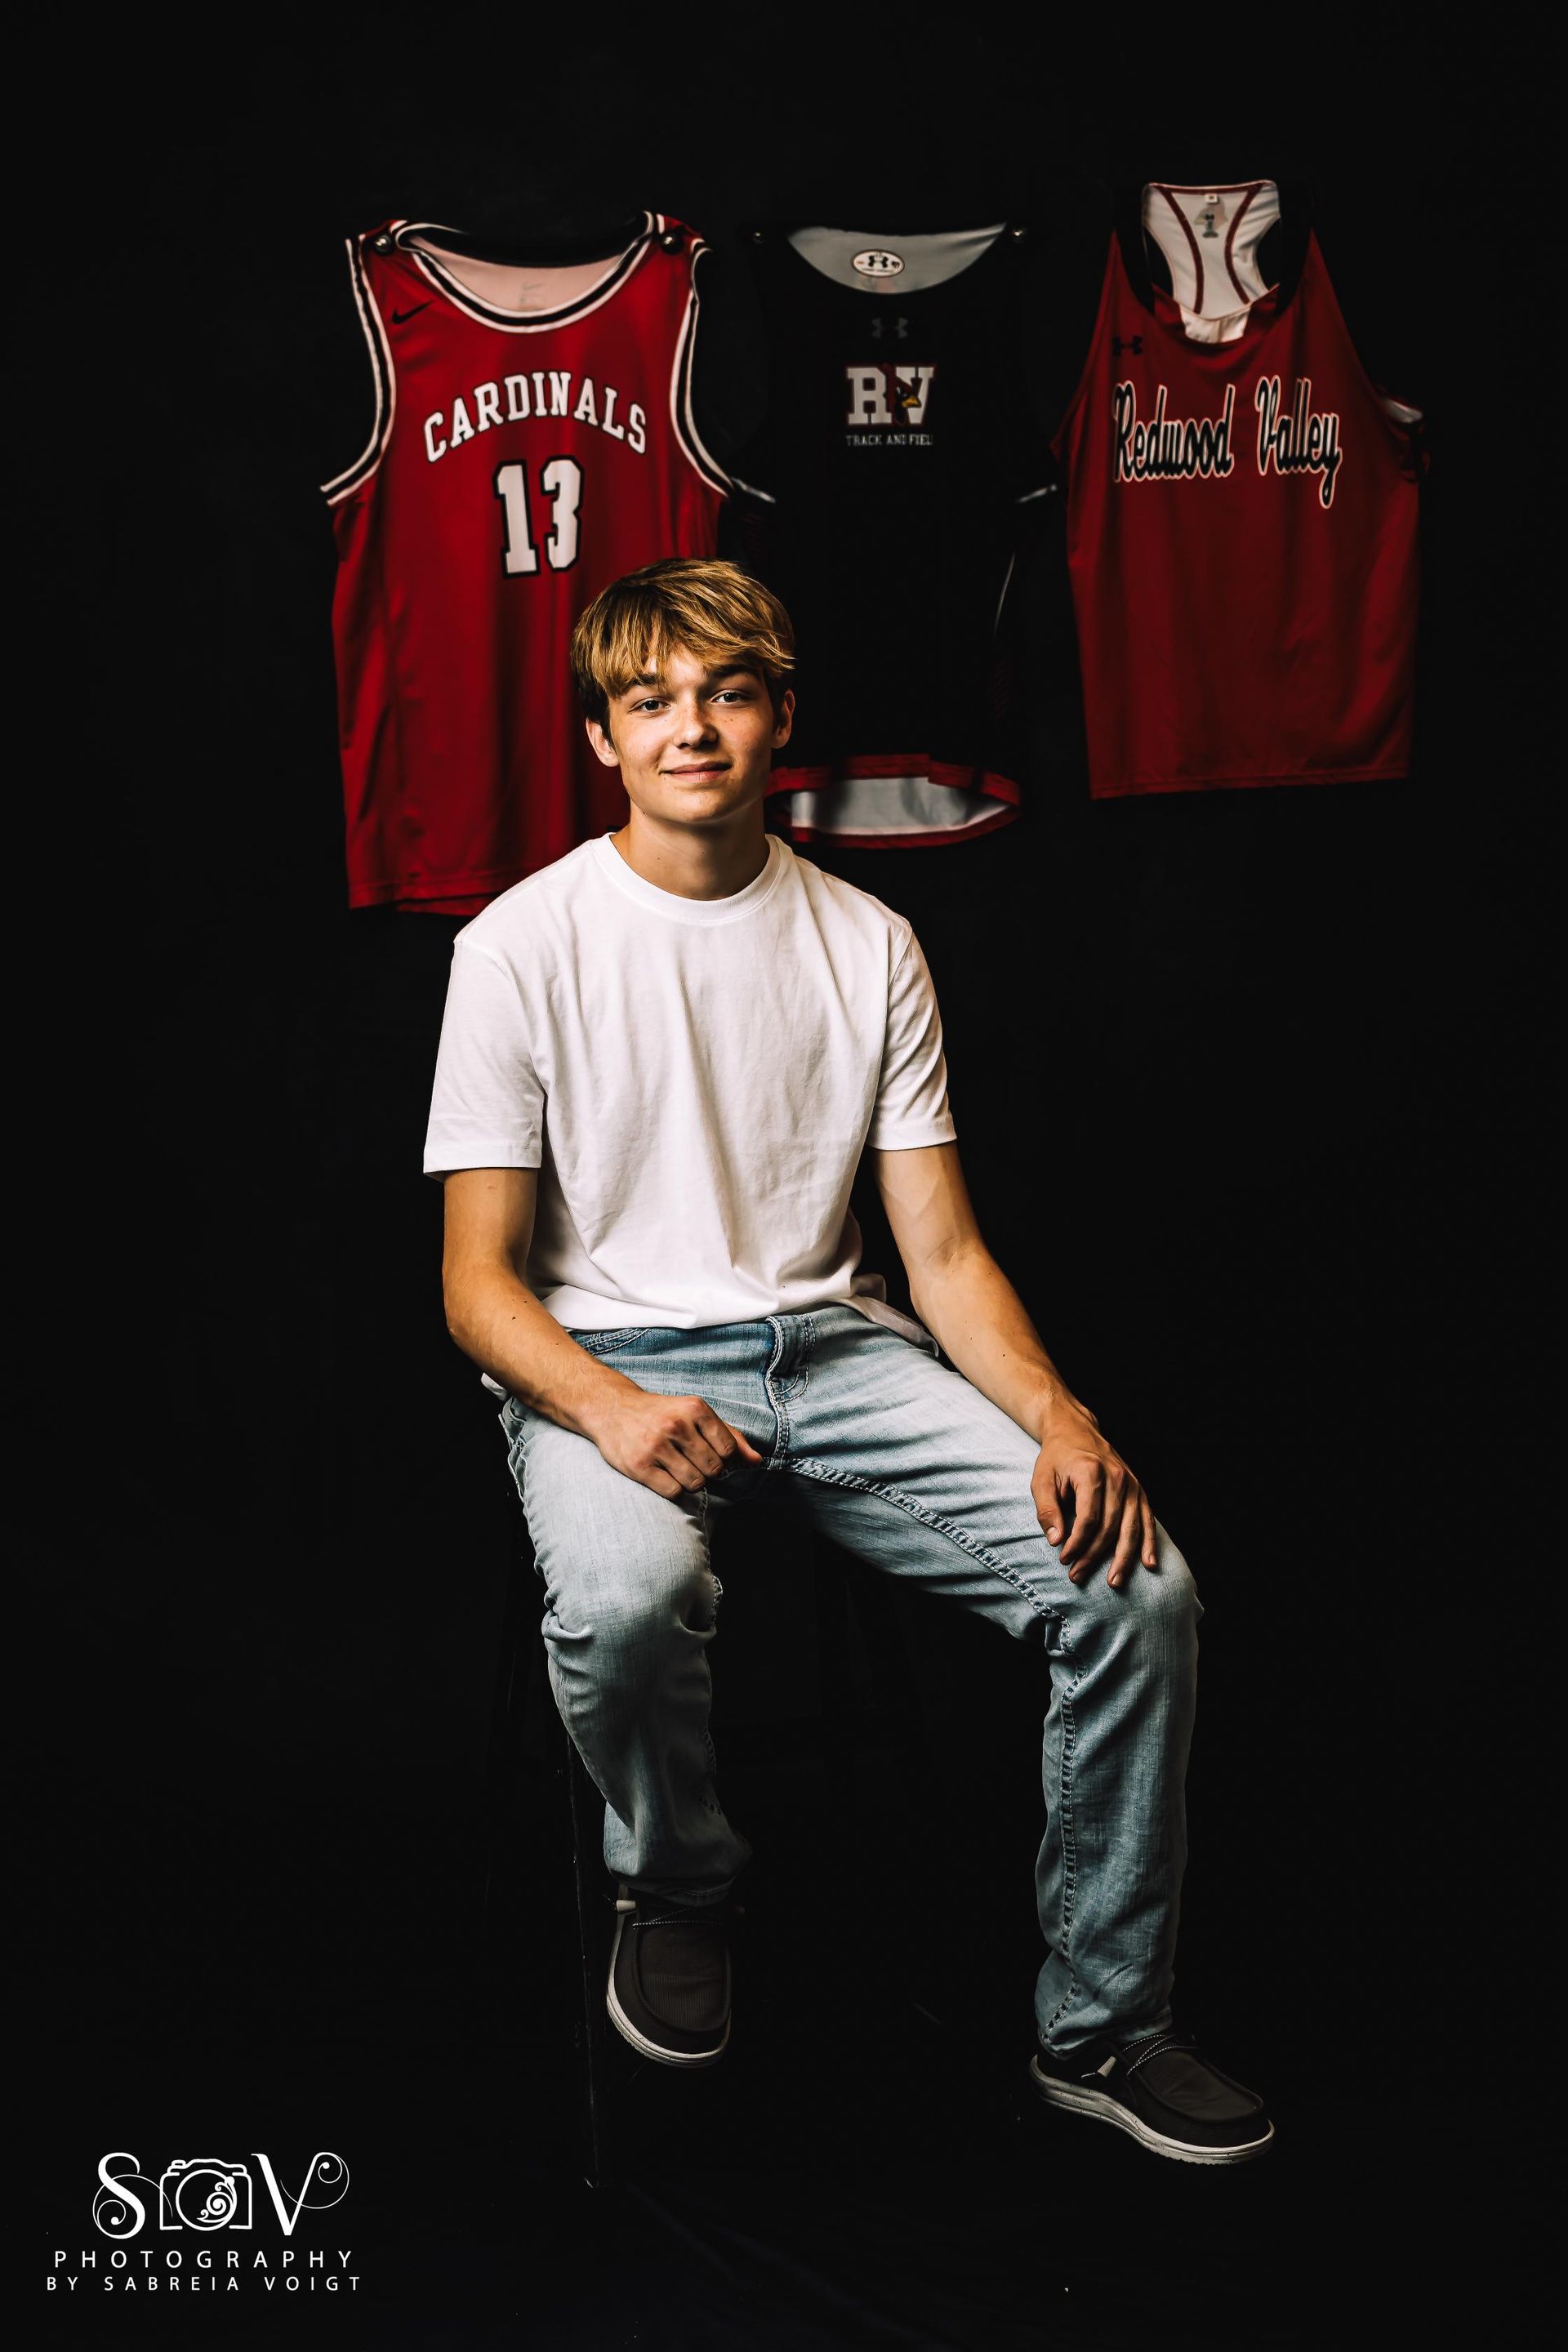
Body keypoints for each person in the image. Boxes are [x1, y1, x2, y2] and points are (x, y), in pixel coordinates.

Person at [425, 557, 1272, 2165]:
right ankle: (676, 1887)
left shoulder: (869, 944)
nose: (692, 729)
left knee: (1141, 1589)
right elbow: (476, 1287)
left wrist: (1058, 1414)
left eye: (726, 693)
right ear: (605, 735)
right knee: (622, 1598)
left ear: (780, 720)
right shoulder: (519, 947)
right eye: (653, 700)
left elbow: (941, 1255)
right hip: (605, 1357)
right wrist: (605, 1408)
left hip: (832, 1349)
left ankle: (1103, 2028)